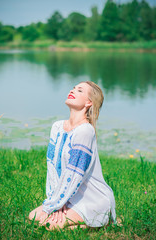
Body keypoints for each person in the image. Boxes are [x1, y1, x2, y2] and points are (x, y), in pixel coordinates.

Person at [29, 81, 116, 230]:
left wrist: (58, 204)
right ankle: (84, 220)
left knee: (49, 226)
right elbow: (52, 168)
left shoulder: (85, 131)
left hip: (91, 199)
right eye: (74, 88)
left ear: (89, 102)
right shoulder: (57, 127)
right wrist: (54, 202)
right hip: (67, 198)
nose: (73, 90)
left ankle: (103, 220)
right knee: (33, 217)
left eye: (80, 90)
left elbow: (74, 174)